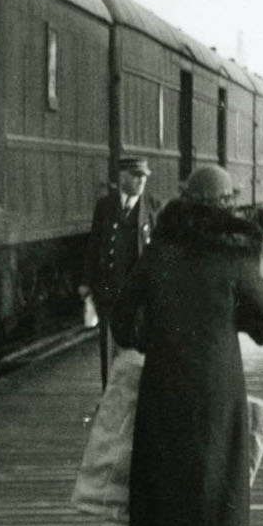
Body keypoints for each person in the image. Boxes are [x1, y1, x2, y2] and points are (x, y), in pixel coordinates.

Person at [109, 164, 263, 526]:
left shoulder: (159, 253)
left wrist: (152, 339)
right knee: (212, 496)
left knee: (163, 492)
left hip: (163, 386)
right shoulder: (234, 258)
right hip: (215, 393)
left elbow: (122, 316)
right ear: (225, 206)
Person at [79, 156, 161, 383]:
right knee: (108, 353)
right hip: (108, 293)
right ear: (122, 177)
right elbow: (94, 245)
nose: (141, 181)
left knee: (137, 351)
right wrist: (86, 282)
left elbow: (158, 254)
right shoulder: (105, 206)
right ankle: (108, 402)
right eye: (136, 177)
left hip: (139, 296)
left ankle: (137, 404)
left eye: (144, 177)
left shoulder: (153, 206)